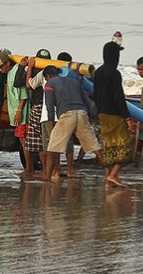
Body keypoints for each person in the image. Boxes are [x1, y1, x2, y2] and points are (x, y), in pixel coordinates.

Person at [38, 66, 102, 182]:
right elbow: (87, 101)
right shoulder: (75, 82)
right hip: (82, 113)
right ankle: (110, 175)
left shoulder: (50, 83)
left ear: (48, 77)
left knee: (52, 147)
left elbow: (49, 107)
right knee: (94, 146)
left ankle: (47, 177)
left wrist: (52, 125)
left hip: (67, 114)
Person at [93, 41, 133, 187]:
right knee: (126, 146)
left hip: (102, 114)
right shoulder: (114, 73)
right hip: (114, 115)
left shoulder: (98, 72)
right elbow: (119, 97)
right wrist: (127, 117)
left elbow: (95, 94)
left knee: (108, 146)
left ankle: (108, 176)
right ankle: (113, 175)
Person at [25, 48, 52, 176]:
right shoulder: (53, 72)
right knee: (47, 139)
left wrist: (29, 67)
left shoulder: (41, 74)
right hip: (50, 109)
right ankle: (49, 169)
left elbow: (29, 85)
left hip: (38, 107)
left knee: (40, 140)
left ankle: (46, 170)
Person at [7, 55, 32, 177]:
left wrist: (19, 111)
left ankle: (29, 168)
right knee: (23, 141)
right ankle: (29, 167)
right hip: (17, 113)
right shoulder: (12, 72)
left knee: (24, 142)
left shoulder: (15, 72)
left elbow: (23, 94)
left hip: (21, 115)